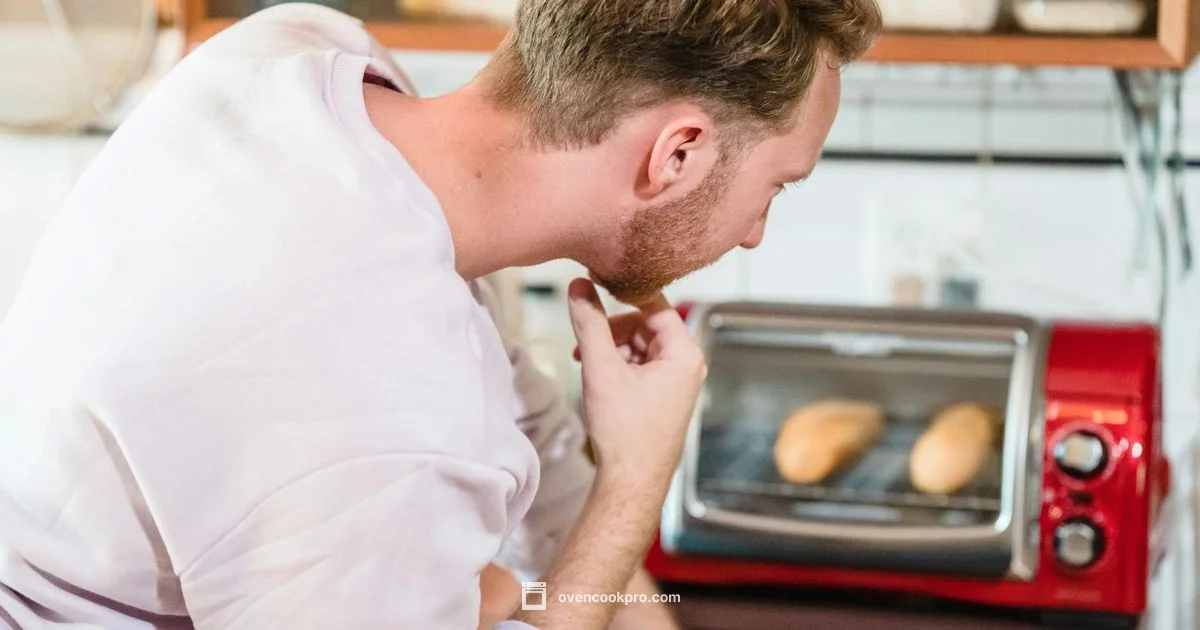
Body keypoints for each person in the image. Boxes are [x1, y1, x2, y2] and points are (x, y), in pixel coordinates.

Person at [0, 1, 881, 629]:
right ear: (677, 153)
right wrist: (636, 479)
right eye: (776, 186)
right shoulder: (377, 400)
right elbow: (392, 404)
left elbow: (528, 430)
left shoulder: (292, 49)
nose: (758, 232)